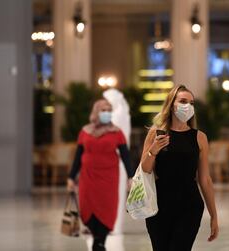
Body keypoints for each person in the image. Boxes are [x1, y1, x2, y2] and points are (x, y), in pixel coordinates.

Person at [141, 85, 219, 251]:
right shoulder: (156, 133)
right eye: (183, 101)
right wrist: (153, 151)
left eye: (191, 103)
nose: (188, 106)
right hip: (159, 206)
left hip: (189, 205)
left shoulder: (199, 137)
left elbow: (205, 179)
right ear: (171, 104)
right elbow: (145, 170)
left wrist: (214, 215)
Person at [67, 98, 134, 251]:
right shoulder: (85, 132)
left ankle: (100, 240)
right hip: (87, 178)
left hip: (108, 178)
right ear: (96, 112)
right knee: (86, 207)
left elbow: (125, 156)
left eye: (109, 110)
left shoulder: (117, 132)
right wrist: (71, 177)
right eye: (104, 110)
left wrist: (131, 176)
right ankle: (96, 237)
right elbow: (78, 156)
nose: (107, 113)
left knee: (107, 208)